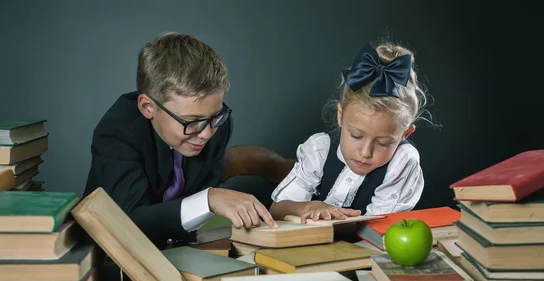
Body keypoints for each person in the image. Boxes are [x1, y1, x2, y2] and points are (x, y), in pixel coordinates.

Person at [83, 32, 276, 247]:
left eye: (215, 116)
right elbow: (128, 223)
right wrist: (208, 199)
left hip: (184, 250)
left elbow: (199, 222)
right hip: (112, 259)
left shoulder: (216, 126)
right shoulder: (118, 131)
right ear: (148, 107)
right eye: (191, 121)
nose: (206, 134)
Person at [270, 41, 428, 224]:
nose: (365, 152)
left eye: (383, 143)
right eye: (356, 135)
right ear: (340, 116)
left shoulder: (402, 163)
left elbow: (377, 227)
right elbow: (276, 210)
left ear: (405, 135)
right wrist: (306, 207)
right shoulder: (319, 150)